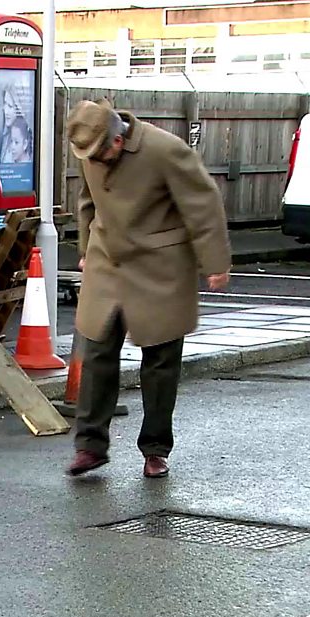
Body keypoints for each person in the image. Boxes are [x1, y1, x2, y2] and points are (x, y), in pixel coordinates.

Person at [64, 99, 231, 479]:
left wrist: (215, 262)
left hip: (160, 265)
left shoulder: (165, 149)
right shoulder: (92, 148)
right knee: (97, 353)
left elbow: (202, 203)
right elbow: (88, 201)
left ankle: (155, 450)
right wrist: (86, 247)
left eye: (99, 153)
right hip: (108, 262)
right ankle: (90, 446)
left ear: (118, 141)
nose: (94, 160)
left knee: (160, 362)